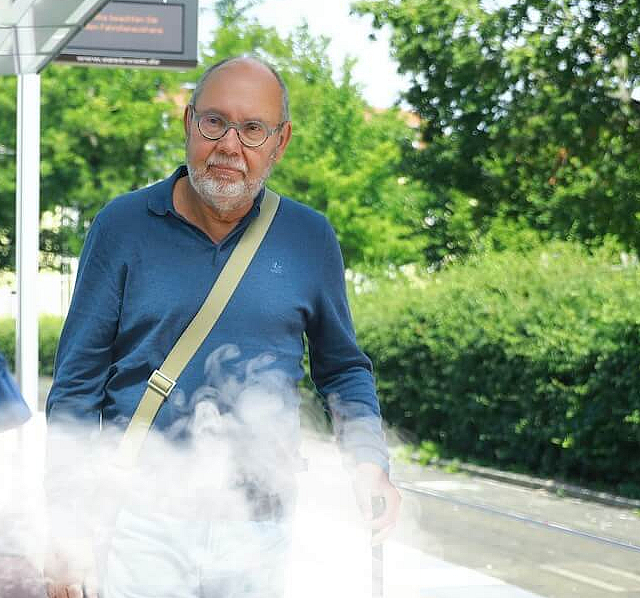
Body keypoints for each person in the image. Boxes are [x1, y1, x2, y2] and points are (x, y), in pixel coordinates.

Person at [43, 55, 402, 598]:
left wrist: (369, 460)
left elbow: (344, 369)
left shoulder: (309, 237)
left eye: (253, 129)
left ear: (279, 144)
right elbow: (76, 386)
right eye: (215, 122)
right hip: (139, 521)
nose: (230, 145)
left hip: (259, 524)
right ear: (189, 123)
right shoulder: (121, 225)